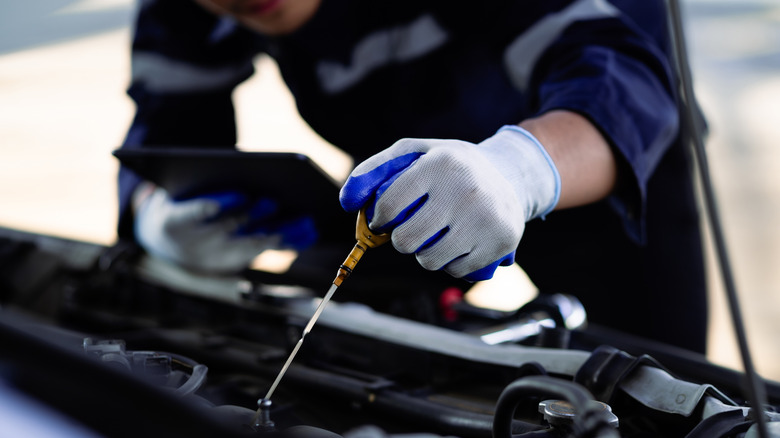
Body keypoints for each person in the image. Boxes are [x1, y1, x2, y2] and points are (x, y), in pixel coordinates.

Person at [117, 0, 708, 353]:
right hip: (398, 181)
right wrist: (154, 215)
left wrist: (518, 170)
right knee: (324, 343)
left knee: (651, 388)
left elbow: (621, 75)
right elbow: (166, 136)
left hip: (582, 163)